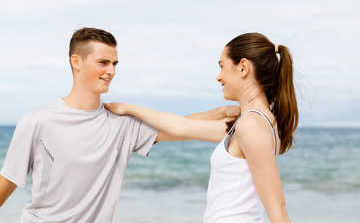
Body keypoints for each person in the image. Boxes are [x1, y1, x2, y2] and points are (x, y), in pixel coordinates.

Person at [0, 27, 239, 222]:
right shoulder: (37, 122)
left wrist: (222, 112)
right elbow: (6, 185)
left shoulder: (121, 124)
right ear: (76, 61)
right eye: (103, 62)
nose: (111, 71)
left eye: (115, 64)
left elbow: (181, 128)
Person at [105, 32, 298, 223]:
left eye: (222, 66)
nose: (218, 77)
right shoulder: (250, 122)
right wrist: (128, 109)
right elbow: (182, 127)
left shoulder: (251, 125)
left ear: (243, 68)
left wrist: (128, 108)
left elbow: (277, 209)